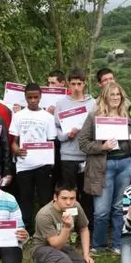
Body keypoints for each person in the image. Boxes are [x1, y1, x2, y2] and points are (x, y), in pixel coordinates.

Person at [78, 82, 131, 254]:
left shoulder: (129, 119)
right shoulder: (94, 117)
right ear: (105, 97)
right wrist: (101, 147)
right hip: (103, 167)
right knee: (101, 210)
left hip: (125, 165)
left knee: (119, 208)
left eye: (118, 95)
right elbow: (82, 143)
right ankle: (99, 246)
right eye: (112, 95)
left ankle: (118, 244)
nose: (116, 98)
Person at [31, 183, 102, 263]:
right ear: (55, 197)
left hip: (65, 248)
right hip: (43, 248)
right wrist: (67, 227)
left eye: (72, 198)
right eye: (64, 198)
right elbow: (56, 245)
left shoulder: (76, 206)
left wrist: (86, 255)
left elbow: (84, 228)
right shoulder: (44, 214)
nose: (69, 202)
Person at [9, 82, 57, 233]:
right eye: (30, 97)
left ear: (41, 97)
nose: (33, 100)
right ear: (25, 98)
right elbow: (13, 141)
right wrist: (16, 149)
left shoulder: (47, 117)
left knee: (45, 198)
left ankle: (46, 228)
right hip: (24, 164)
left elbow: (51, 142)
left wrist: (51, 162)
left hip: (43, 164)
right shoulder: (18, 116)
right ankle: (27, 230)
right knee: (25, 197)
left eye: (36, 97)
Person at [54, 68, 96, 226]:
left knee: (87, 193)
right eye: (73, 84)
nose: (76, 87)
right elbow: (56, 128)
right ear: (68, 84)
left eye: (79, 83)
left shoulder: (93, 103)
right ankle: (70, 226)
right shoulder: (61, 103)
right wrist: (66, 135)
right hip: (68, 155)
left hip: (87, 155)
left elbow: (98, 126)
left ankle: (85, 226)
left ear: (84, 84)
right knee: (69, 194)